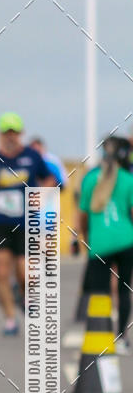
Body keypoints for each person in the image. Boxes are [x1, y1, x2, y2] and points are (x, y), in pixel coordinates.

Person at [0, 112, 54, 335]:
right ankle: (10, 320)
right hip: (1, 222)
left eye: (14, 132)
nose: (10, 137)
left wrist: (43, 193)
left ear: (20, 134)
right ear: (0, 135)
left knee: (26, 271)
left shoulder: (32, 156)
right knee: (2, 272)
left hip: (26, 223)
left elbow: (50, 178)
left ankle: (24, 295)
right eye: (6, 133)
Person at [75, 135, 133, 355]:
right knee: (124, 290)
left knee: (99, 292)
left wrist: (82, 239)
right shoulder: (128, 179)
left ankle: (100, 335)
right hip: (127, 241)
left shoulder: (90, 179)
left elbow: (82, 216)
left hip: (99, 244)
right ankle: (122, 338)